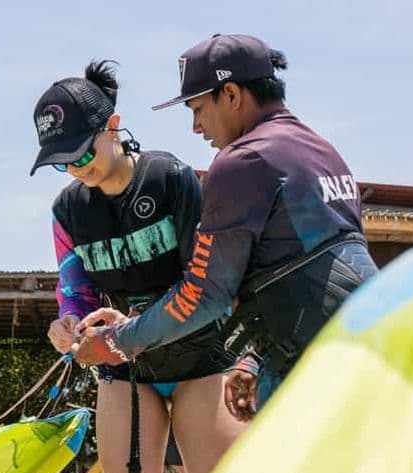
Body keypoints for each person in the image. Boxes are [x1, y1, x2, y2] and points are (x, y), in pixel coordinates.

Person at [74, 34, 379, 423]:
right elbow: (319, 266)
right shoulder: (321, 151)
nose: (196, 127)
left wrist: (118, 341)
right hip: (371, 353)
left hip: (313, 377)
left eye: (198, 108)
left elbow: (204, 294)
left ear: (231, 94)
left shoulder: (242, 161)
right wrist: (253, 359)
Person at [31, 60, 246, 473]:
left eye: (81, 153)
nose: (75, 168)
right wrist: (69, 323)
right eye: (61, 161)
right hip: (128, 371)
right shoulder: (68, 210)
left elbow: (204, 284)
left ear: (112, 127)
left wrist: (129, 319)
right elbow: (75, 291)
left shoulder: (171, 179)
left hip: (201, 360)